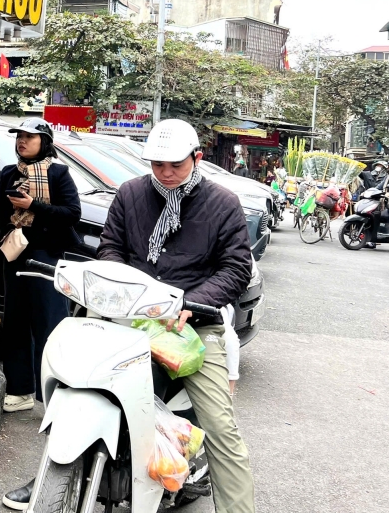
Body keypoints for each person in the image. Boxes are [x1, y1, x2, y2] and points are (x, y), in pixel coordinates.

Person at [96, 118, 255, 513]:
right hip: (133, 323)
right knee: (90, 392)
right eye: (157, 165)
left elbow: (236, 268)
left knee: (220, 428)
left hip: (195, 329)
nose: (165, 174)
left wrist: (191, 302)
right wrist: (122, 286)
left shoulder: (223, 203)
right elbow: (110, 248)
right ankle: (56, 474)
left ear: (196, 158)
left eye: (176, 165)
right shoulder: (131, 193)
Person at [0, 118, 81, 511]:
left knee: (49, 324)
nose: (22, 143)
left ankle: (56, 397)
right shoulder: (11, 173)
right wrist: (5, 201)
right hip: (14, 252)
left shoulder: (58, 172)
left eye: (29, 138)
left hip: (45, 255)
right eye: (20, 138)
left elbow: (71, 214)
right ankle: (19, 389)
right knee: (14, 321)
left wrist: (35, 206)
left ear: (44, 142)